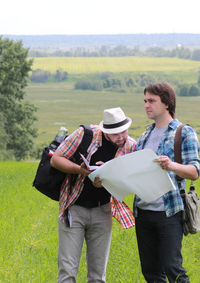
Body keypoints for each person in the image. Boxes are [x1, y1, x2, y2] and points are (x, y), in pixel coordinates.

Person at [51, 107, 136, 283]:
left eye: (124, 131)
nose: (121, 137)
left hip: (103, 210)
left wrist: (107, 177)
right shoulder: (85, 134)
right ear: (105, 131)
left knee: (98, 277)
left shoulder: (130, 146)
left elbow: (129, 180)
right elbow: (56, 159)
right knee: (67, 272)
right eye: (115, 134)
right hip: (74, 208)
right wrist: (82, 171)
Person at [133, 82, 200, 283]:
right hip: (143, 211)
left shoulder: (184, 132)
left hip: (169, 212)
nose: (146, 105)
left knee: (173, 269)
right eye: (145, 101)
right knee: (151, 273)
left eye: (151, 101)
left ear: (167, 103)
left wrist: (171, 165)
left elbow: (194, 172)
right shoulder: (144, 136)